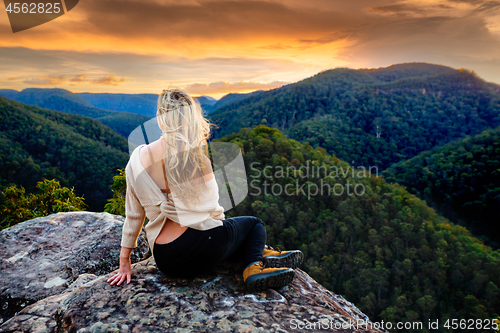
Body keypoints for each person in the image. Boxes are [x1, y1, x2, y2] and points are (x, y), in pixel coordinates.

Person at [106, 88, 303, 292]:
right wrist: (225, 234)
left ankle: (261, 251)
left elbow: (134, 215)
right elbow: (213, 212)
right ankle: (253, 267)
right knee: (254, 225)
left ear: (159, 118)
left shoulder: (136, 161)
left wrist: (124, 261)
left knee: (229, 237)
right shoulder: (196, 160)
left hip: (165, 259)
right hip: (202, 249)